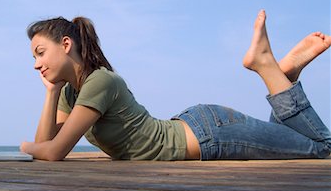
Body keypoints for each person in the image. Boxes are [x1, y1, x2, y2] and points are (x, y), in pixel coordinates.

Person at [20, 10, 331, 161]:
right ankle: (283, 76)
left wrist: (23, 149)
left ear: (65, 44)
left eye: (40, 53)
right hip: (201, 130)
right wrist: (52, 92)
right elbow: (46, 141)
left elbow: (54, 151)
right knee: (297, 140)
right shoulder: (71, 90)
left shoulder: (99, 81)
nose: (36, 64)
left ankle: (265, 64)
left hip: (212, 134)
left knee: (322, 149)